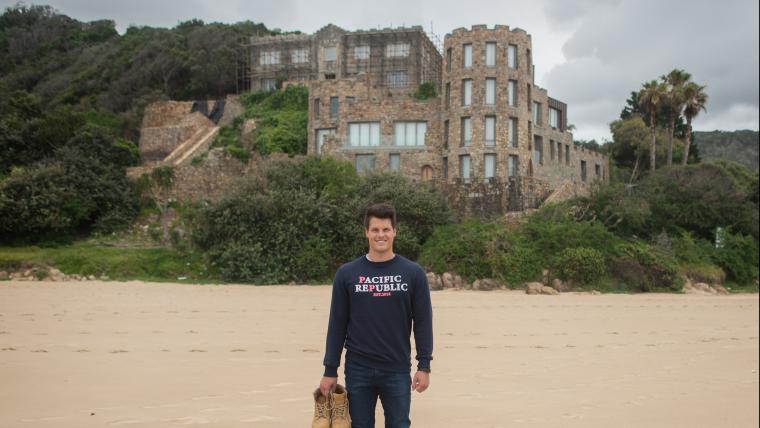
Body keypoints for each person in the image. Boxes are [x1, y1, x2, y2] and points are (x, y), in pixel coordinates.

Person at [318, 203, 433, 428]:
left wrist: (424, 365)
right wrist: (330, 370)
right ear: (366, 233)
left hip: (397, 368)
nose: (381, 235)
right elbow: (337, 324)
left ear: (394, 232)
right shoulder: (347, 274)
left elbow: (422, 322)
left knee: (399, 424)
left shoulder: (413, 273)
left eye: (386, 229)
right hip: (358, 369)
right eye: (375, 230)